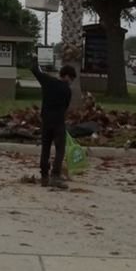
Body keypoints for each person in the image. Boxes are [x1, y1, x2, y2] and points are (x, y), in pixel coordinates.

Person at [30, 58, 77, 189]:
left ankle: (44, 176)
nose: (71, 82)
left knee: (45, 148)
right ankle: (55, 176)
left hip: (45, 120)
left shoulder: (47, 81)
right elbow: (66, 107)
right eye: (72, 79)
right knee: (60, 149)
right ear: (68, 76)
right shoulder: (67, 90)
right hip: (58, 122)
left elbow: (35, 70)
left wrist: (35, 60)